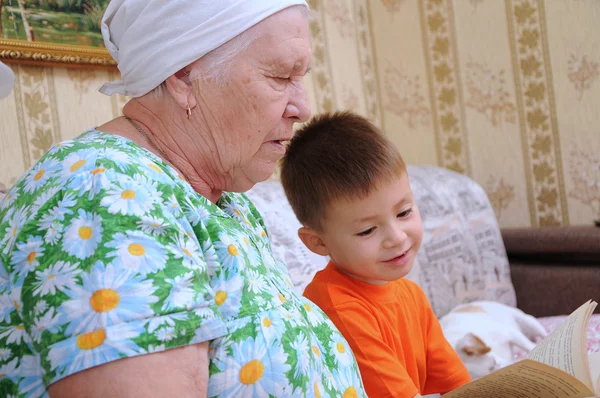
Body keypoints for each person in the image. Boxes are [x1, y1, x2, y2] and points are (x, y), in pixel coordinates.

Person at [0, 1, 368, 397]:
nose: (304, 108)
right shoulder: (101, 191)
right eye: (281, 76)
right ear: (183, 76)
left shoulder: (224, 200)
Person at [280, 111, 472, 397]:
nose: (396, 238)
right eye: (368, 230)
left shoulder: (412, 297)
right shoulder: (334, 307)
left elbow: (459, 386)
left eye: (404, 212)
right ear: (318, 243)